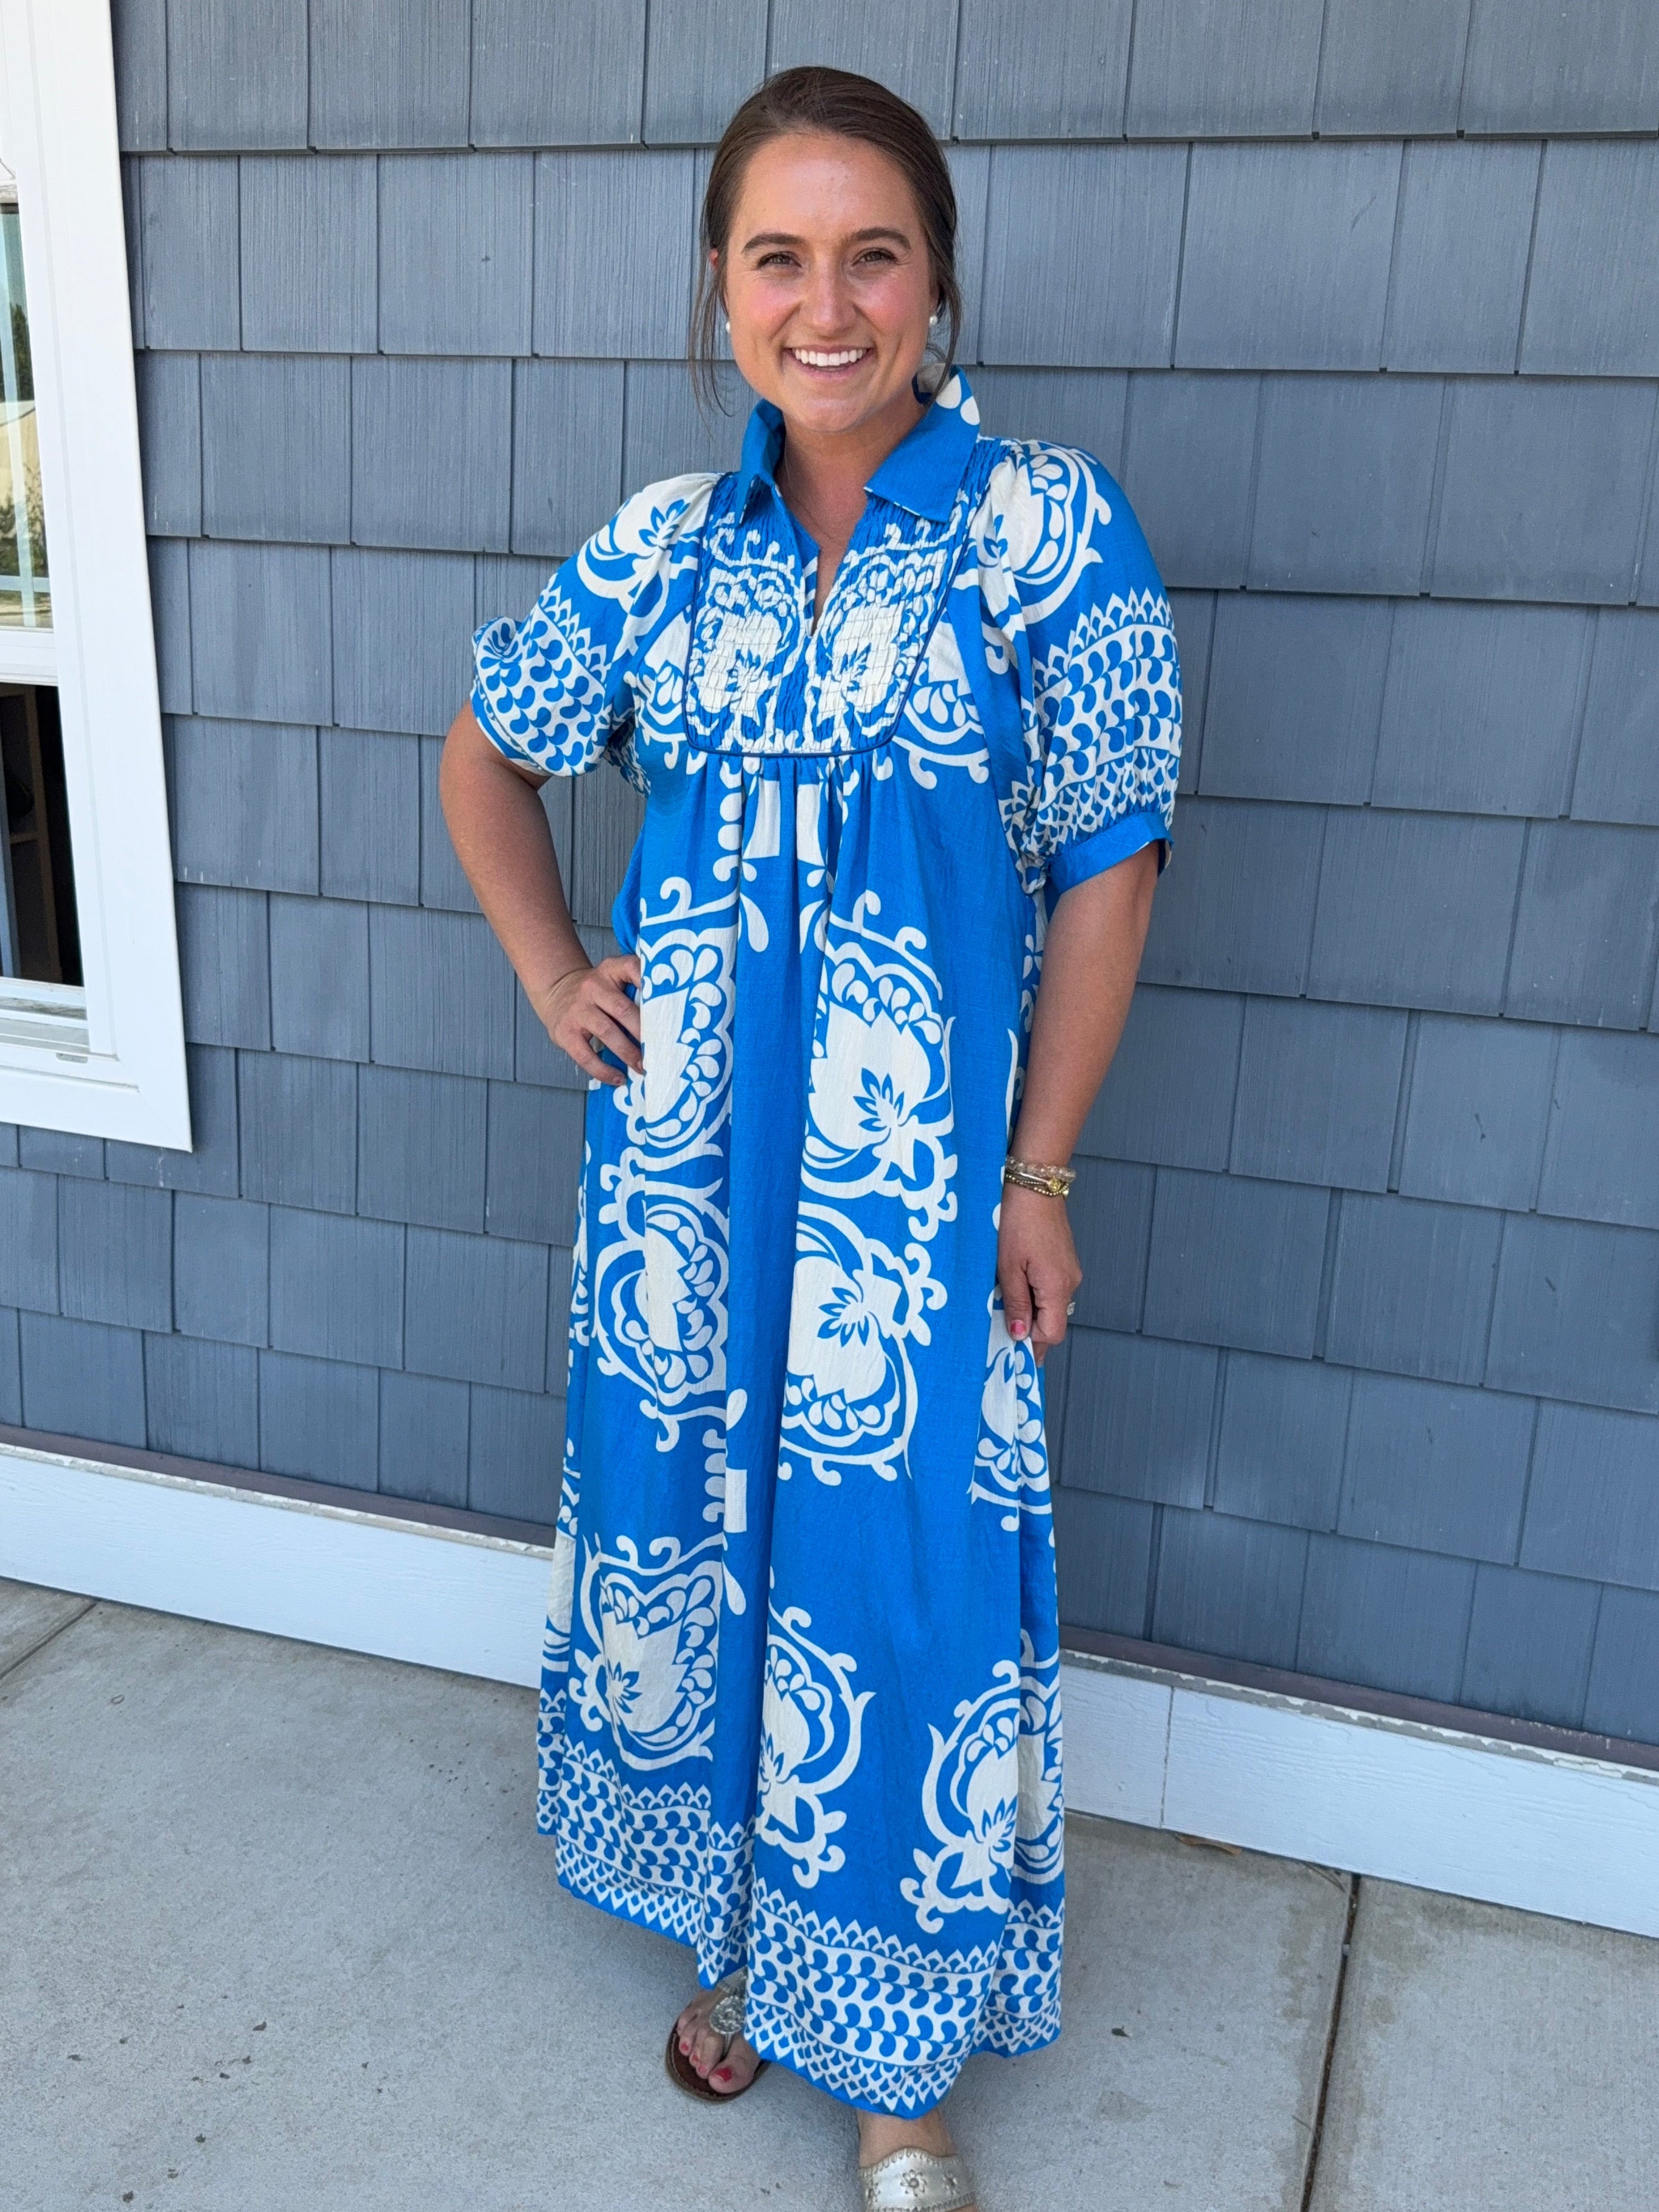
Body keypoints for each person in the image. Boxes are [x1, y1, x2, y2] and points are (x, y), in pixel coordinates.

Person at [441, 64, 1178, 2212]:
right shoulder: (667, 552)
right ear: (722, 289)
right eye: (783, 257)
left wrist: (1041, 1171)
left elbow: (1113, 864)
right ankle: (753, 1950)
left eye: (876, 255)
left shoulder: (1047, 527)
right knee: (705, 1538)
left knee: (905, 1590)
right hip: (685, 1190)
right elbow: (488, 755)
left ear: (937, 287)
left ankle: (903, 2061)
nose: (828, 302)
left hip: (917, 1201)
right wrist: (554, 968)